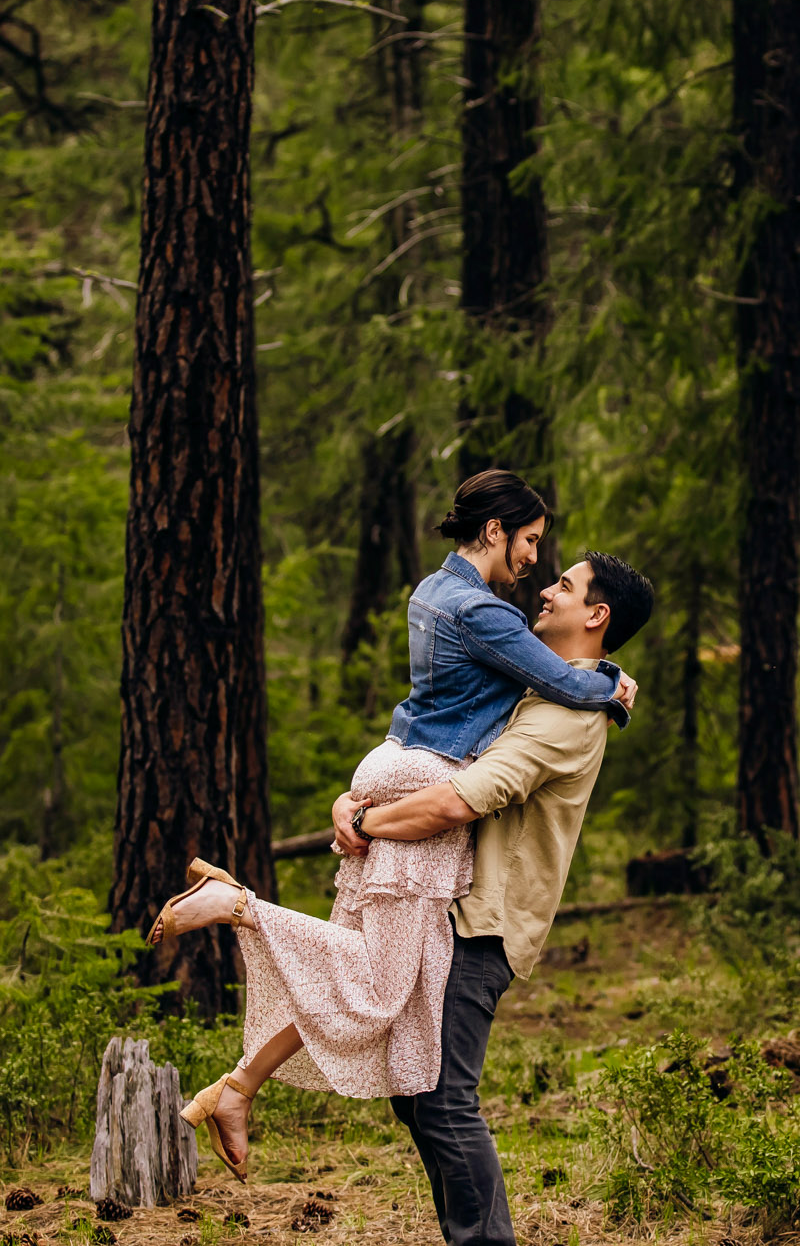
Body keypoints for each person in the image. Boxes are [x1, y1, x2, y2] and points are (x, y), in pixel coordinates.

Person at [146, 471, 643, 1187]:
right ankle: (237, 905)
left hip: (391, 763)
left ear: (593, 613)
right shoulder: (502, 627)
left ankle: (238, 1084)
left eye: (560, 579)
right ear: (497, 531)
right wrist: (614, 684)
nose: (539, 572)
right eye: (532, 543)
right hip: (422, 791)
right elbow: (555, 698)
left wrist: (357, 804)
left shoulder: (432, 594)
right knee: (376, 988)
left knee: (349, 969)